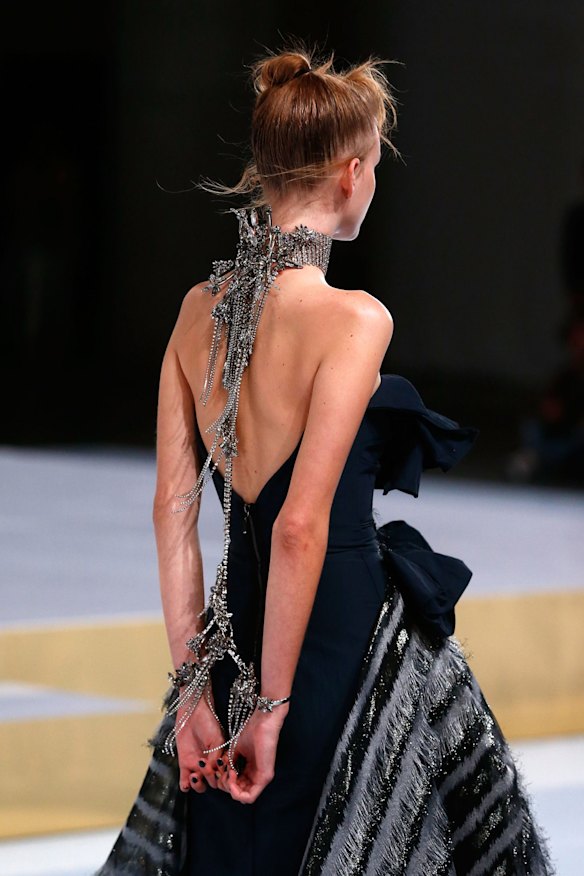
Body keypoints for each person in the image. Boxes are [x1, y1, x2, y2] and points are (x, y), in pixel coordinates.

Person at [97, 47, 554, 875]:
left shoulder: (196, 311)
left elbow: (172, 506)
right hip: (335, 640)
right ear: (350, 174)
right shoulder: (355, 321)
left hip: (230, 639)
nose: (373, 181)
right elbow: (302, 524)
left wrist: (196, 693)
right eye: (376, 164)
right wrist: (272, 708)